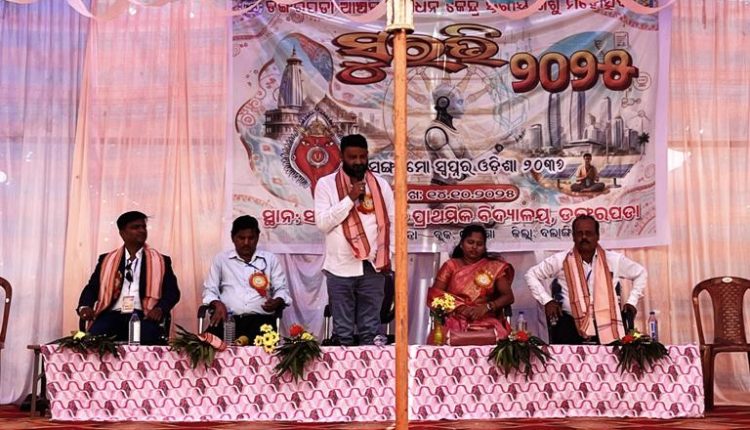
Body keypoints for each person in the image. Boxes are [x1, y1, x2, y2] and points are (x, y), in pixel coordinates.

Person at [314, 134, 394, 346]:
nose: (358, 162)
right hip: (340, 267)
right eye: (352, 157)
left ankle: (370, 368)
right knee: (343, 334)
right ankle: (342, 369)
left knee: (370, 332)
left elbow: (392, 222)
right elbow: (322, 223)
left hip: (372, 266)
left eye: (362, 157)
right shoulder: (326, 185)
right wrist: (350, 198)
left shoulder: (381, 185)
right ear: (341, 157)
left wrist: (388, 255)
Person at [524, 215, 647, 345]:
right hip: (569, 325)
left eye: (589, 233)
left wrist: (632, 301)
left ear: (597, 236)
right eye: (579, 233)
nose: (584, 237)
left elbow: (640, 273)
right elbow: (531, 274)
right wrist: (547, 301)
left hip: (607, 323)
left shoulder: (614, 260)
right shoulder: (561, 260)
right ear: (573, 236)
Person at [77, 211, 180, 345]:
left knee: (149, 339)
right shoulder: (107, 260)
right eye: (135, 227)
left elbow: (172, 292)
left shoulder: (160, 261)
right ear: (122, 233)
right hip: (112, 314)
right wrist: (84, 306)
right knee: (92, 341)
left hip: (144, 315)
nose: (142, 230)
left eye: (143, 227)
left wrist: (160, 308)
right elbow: (92, 288)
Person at [202, 215, 291, 341]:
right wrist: (217, 303)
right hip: (227, 319)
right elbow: (209, 290)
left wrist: (278, 300)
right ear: (233, 238)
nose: (246, 243)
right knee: (203, 346)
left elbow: (281, 289)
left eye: (251, 238)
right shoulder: (221, 260)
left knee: (263, 349)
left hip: (260, 321)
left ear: (257, 237)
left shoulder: (270, 259)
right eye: (241, 238)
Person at [426, 225, 514, 344]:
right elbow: (435, 295)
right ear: (462, 244)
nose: (474, 247)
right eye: (470, 242)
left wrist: (487, 307)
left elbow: (508, 297)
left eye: (479, 244)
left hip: (486, 321)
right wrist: (459, 307)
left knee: (500, 335)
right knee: (442, 335)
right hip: (455, 319)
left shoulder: (493, 267)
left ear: (484, 247)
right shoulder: (450, 266)